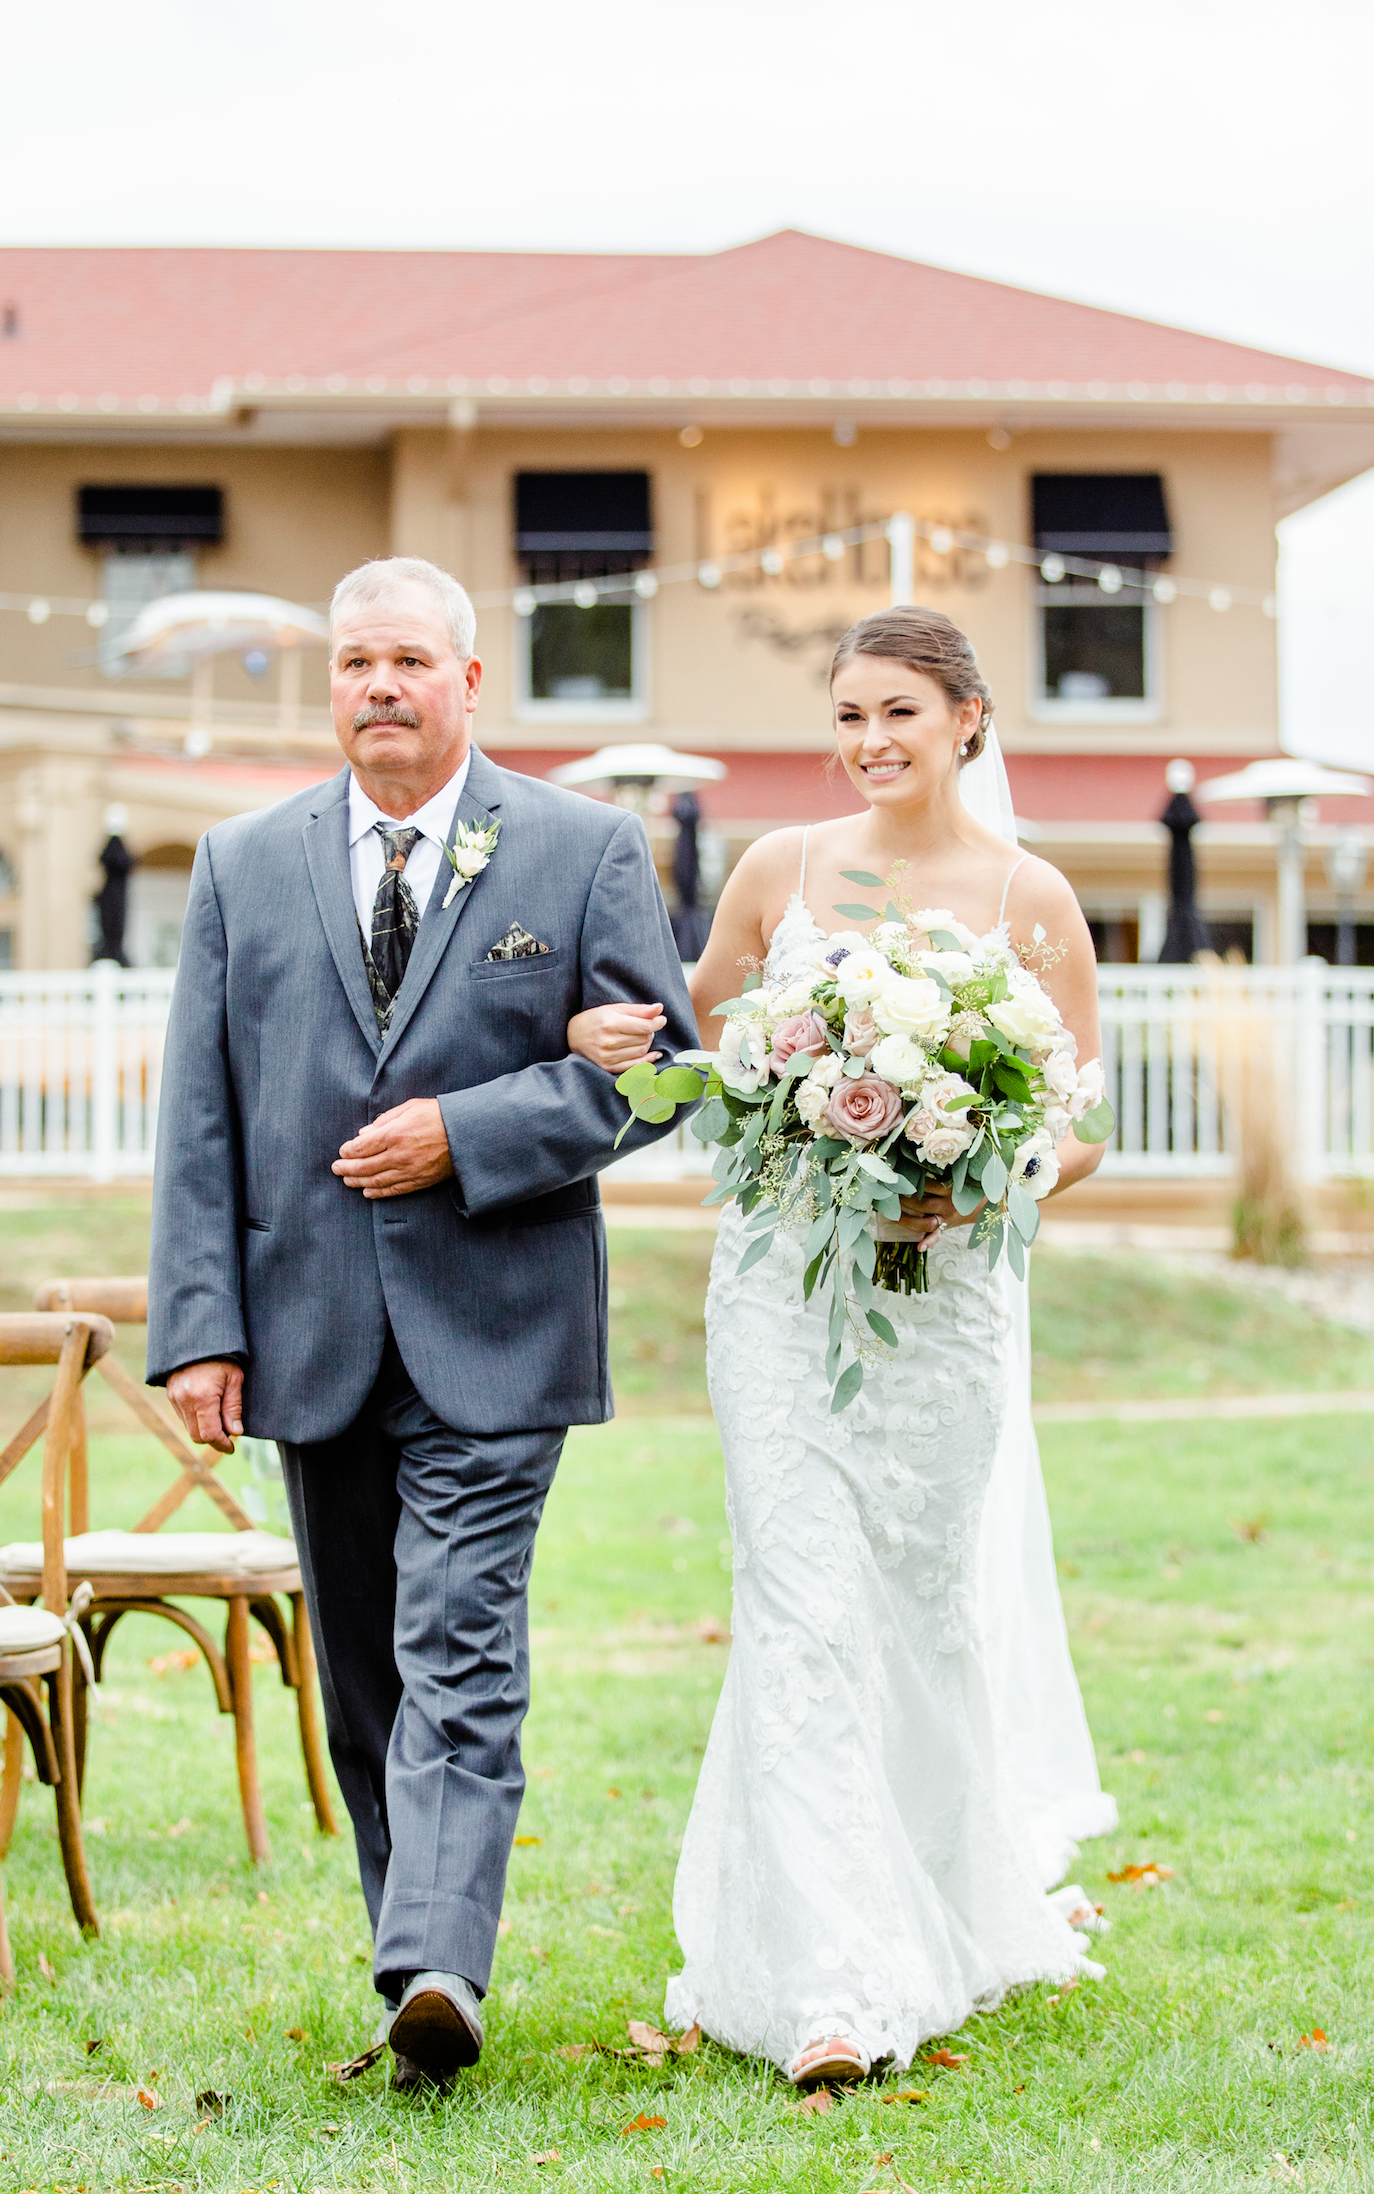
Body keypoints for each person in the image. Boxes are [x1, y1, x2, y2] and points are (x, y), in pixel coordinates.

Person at [146, 554, 696, 2089]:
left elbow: (658, 1075)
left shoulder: (581, 850)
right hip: (308, 1327)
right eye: (352, 663)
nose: (377, 685)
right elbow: (201, 1117)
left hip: (499, 1326)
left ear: (469, 682)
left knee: (458, 1638)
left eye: (407, 660)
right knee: (367, 1679)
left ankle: (435, 1964)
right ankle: (420, 1960)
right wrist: (202, 1325)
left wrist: (472, 1128)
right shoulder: (242, 862)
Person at [567, 606, 1112, 2086]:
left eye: (900, 714)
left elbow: (1085, 1119)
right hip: (781, 1297)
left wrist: (987, 1172)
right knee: (800, 1602)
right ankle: (829, 1978)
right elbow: (697, 1049)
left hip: (940, 1310)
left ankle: (947, 1900)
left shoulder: (1030, 893)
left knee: (916, 1602)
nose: (870, 741)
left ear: (970, 721)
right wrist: (629, 1046)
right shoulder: (777, 869)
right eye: (851, 713)